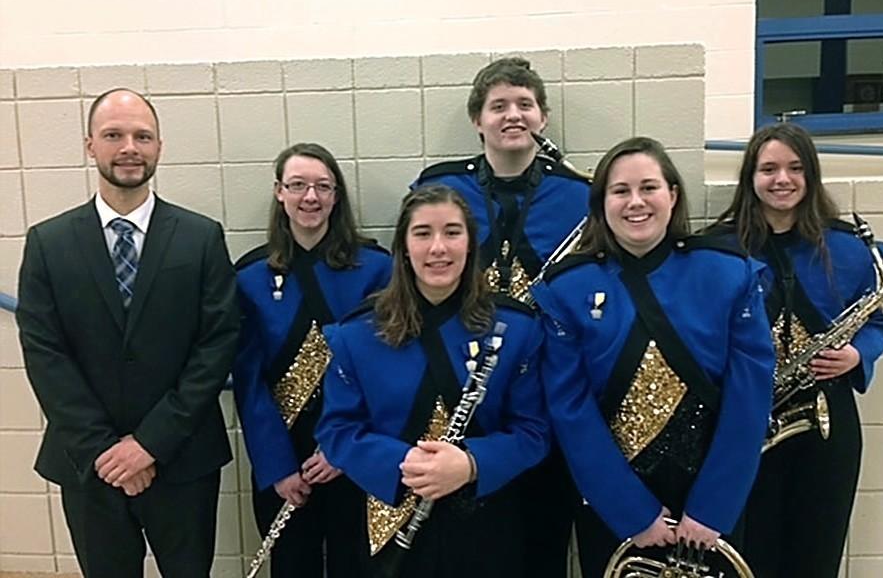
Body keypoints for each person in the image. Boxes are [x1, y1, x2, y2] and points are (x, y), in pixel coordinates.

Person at [16, 88, 240, 578]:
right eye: (113, 135)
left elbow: (218, 343)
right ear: (89, 145)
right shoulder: (48, 243)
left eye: (142, 136)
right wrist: (105, 450)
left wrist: (149, 444)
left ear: (159, 146)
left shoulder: (201, 237)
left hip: (182, 459)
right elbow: (44, 353)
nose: (129, 147)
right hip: (89, 465)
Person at [532, 136, 775, 576]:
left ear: (673, 195)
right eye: (620, 191)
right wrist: (630, 511)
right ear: (601, 203)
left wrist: (714, 507)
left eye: (649, 187)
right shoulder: (565, 288)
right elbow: (570, 409)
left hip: (710, 497)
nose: (635, 202)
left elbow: (750, 398)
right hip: (615, 501)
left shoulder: (728, 271)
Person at [316, 185, 550, 578]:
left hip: (489, 528)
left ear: (471, 244)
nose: (438, 247)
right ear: (404, 247)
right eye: (423, 233)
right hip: (391, 531)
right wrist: (401, 462)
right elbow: (336, 431)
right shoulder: (356, 334)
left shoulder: (517, 328)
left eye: (452, 232)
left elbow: (535, 432)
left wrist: (472, 464)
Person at [411, 56, 588, 577]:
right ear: (478, 120)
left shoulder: (581, 193)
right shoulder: (440, 186)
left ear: (543, 119)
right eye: (498, 105)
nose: (513, 115)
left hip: (549, 388)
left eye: (525, 104)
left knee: (546, 541)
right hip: (464, 388)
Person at [706, 123, 883, 578]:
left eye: (794, 168)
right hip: (747, 420)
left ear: (810, 175)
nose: (781, 179)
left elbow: (876, 323)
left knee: (818, 550)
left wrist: (857, 356)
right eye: (768, 168)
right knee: (750, 550)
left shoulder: (847, 247)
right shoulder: (720, 247)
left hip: (827, 421)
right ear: (750, 177)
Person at [232, 142, 392, 577]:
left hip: (355, 451)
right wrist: (277, 467)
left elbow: (385, 370)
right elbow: (248, 380)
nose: (311, 197)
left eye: (323, 186)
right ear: (279, 192)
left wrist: (345, 450)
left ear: (336, 196)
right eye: (298, 185)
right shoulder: (248, 276)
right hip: (283, 454)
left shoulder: (377, 268)